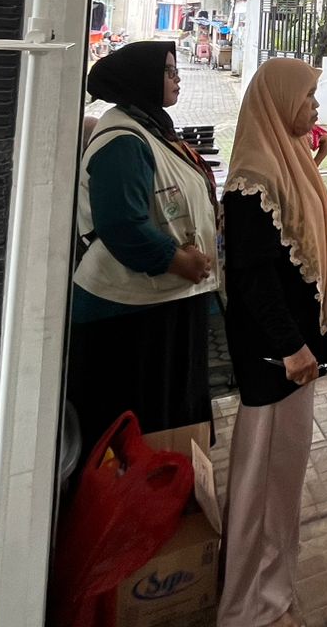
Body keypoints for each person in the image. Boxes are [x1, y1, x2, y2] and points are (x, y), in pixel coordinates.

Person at [218, 58, 327, 627]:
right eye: (309, 97)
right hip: (275, 355)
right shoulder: (254, 179)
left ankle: (272, 588)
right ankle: (251, 605)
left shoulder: (289, 158)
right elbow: (253, 278)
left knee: (283, 475)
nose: (315, 107)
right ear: (280, 101)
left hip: (294, 349)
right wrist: (292, 347)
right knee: (264, 478)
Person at [68, 42, 217, 449]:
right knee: (141, 417)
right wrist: (177, 259)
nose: (177, 78)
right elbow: (121, 223)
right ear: (142, 77)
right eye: (168, 71)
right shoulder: (123, 140)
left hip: (158, 300)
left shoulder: (148, 126)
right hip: (129, 308)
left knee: (165, 408)